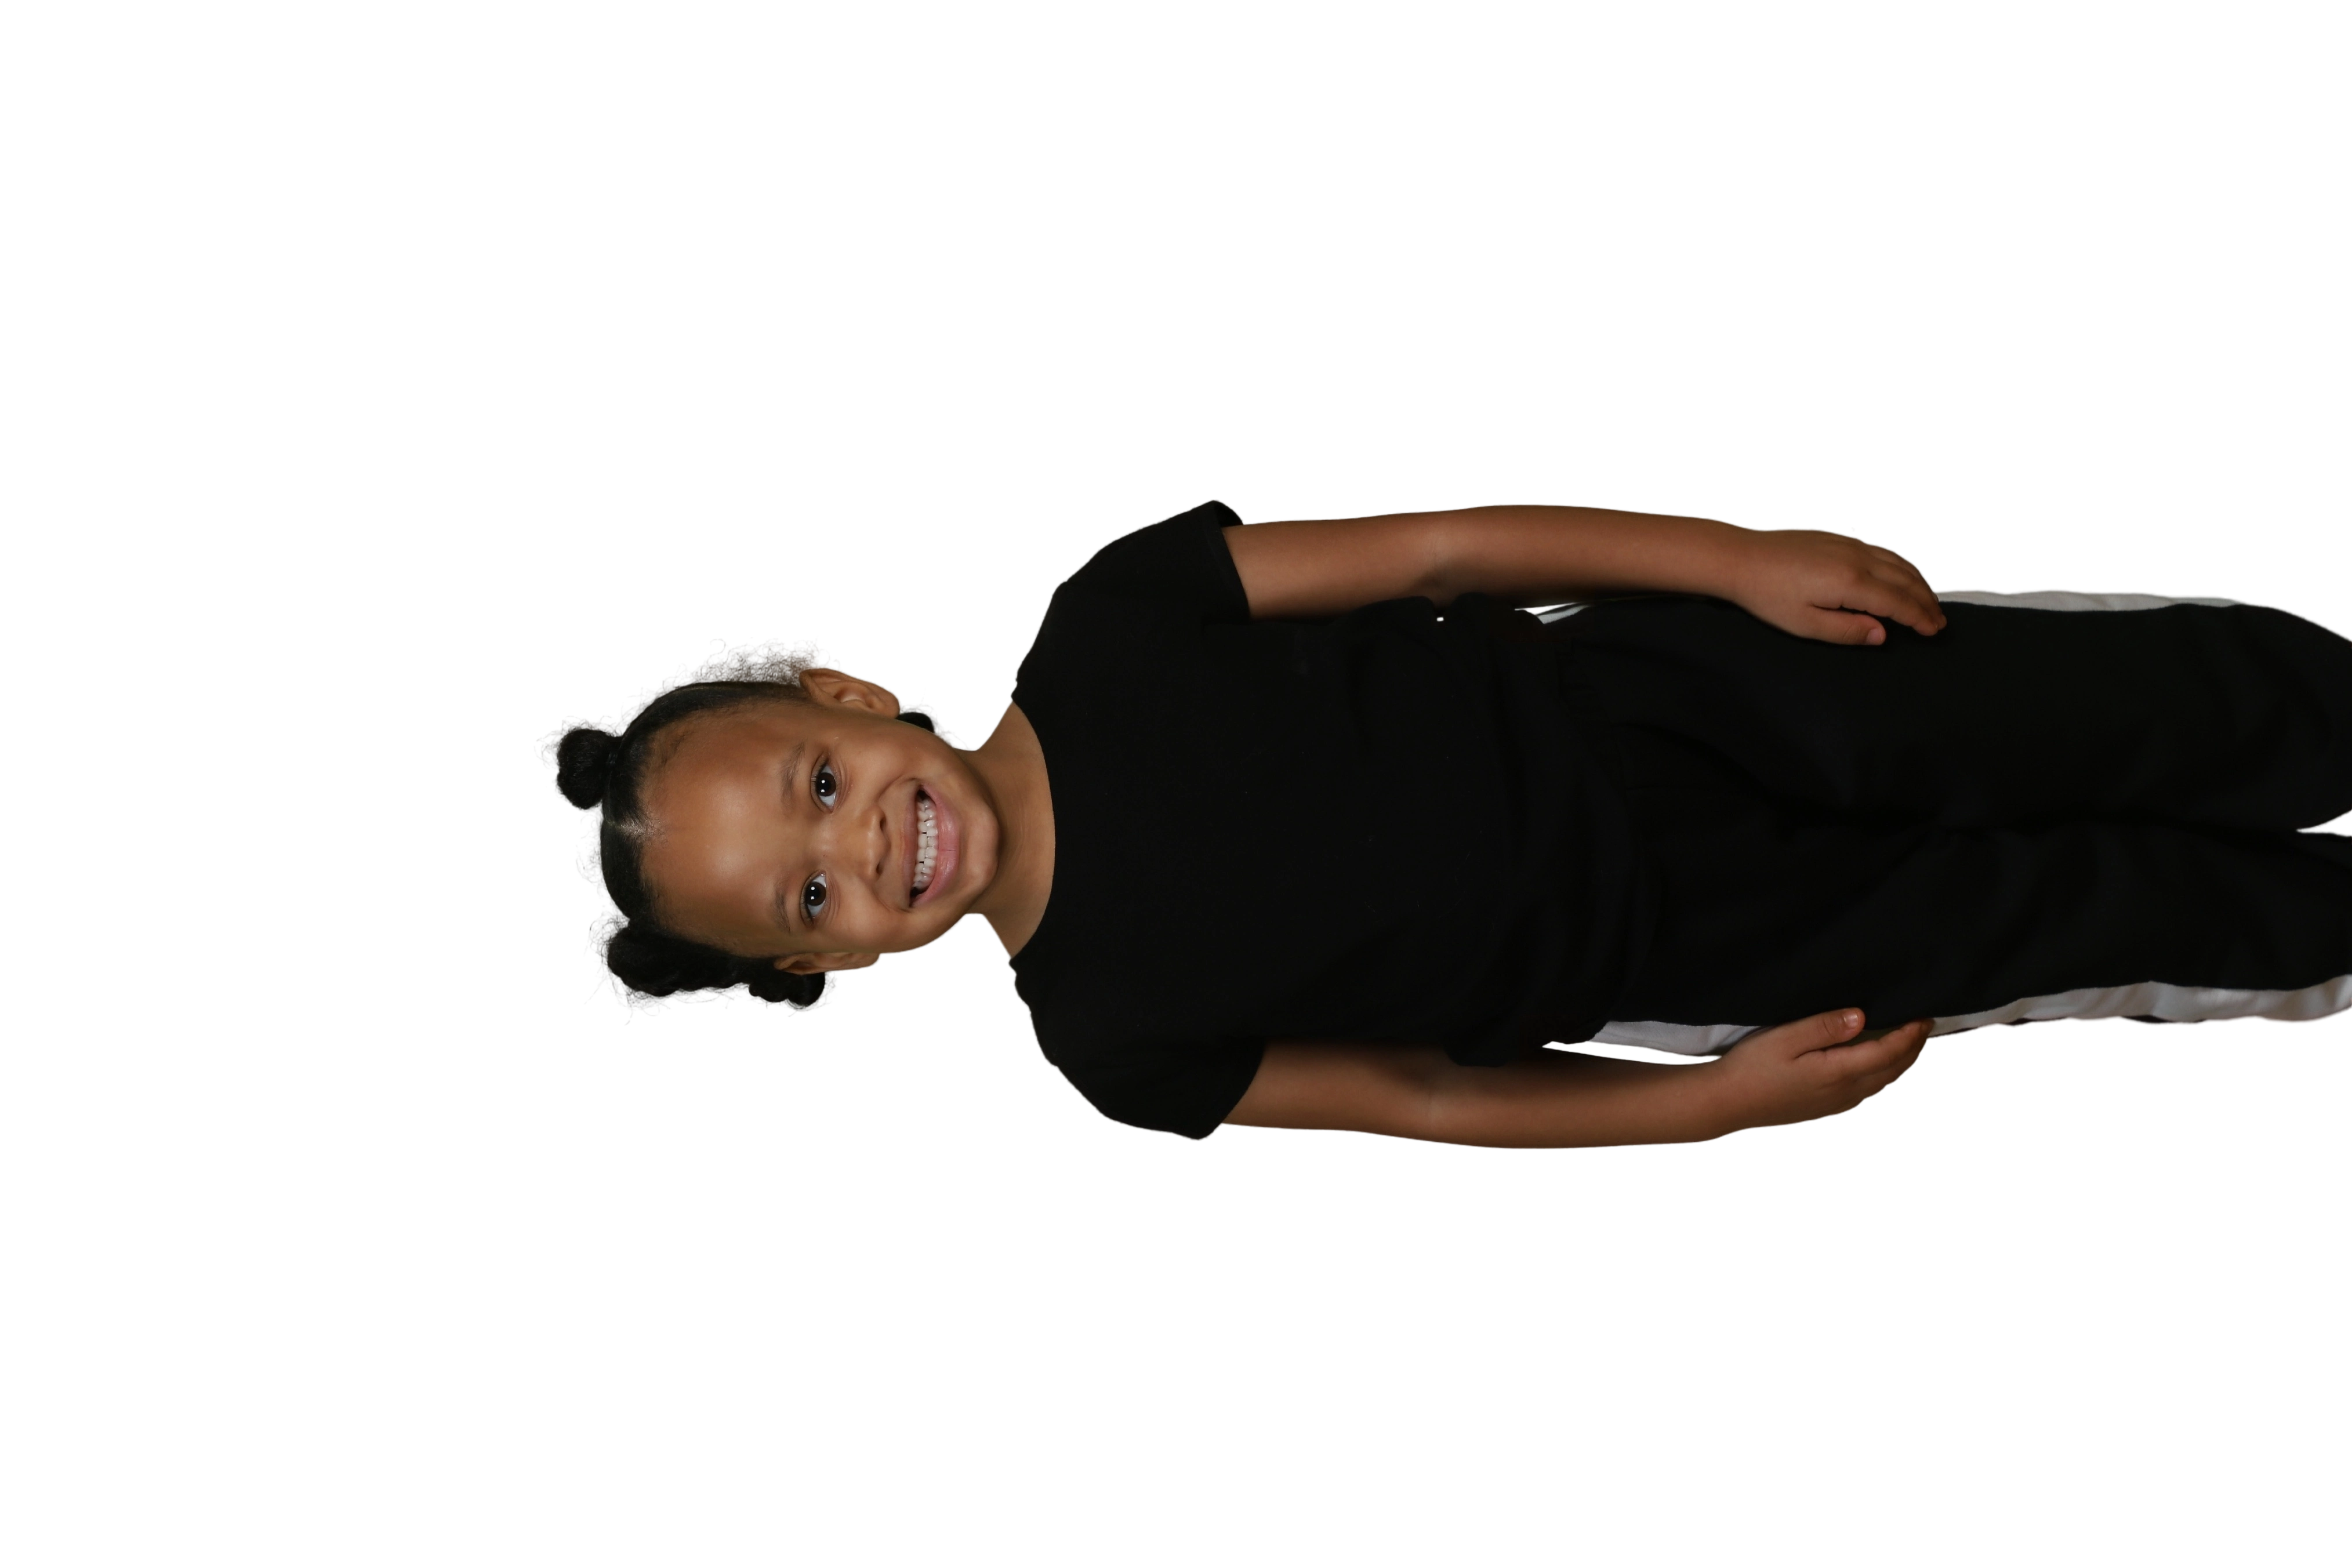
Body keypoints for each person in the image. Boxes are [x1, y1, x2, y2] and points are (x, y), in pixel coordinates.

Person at [530, 498, 2352, 1149]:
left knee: (2130, 700)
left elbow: (1442, 552)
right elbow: (1428, 1098)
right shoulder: (1119, 1049)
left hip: (1679, 689)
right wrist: (1706, 1103)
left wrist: (1732, 561)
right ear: (828, 970)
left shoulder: (1117, 617)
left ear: (845, 696)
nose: (863, 852)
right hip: (1693, 948)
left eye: (819, 789)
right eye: (812, 900)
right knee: (2108, 922)